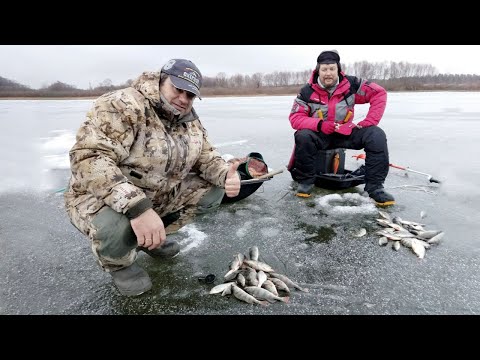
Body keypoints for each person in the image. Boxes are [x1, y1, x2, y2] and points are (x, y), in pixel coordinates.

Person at [64, 59, 241, 297]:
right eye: (178, 89)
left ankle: (150, 239)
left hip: (156, 194)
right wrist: (138, 207)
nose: (183, 99)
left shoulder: (189, 120)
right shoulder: (122, 104)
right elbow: (89, 158)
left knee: (212, 190)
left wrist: (224, 174)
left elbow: (206, 156)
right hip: (99, 196)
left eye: (190, 95)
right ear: (160, 80)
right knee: (116, 225)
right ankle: (120, 263)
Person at [287, 50, 395, 206]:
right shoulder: (306, 91)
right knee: (303, 135)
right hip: (321, 134)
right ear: (318, 70)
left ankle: (375, 188)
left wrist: (369, 122)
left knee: (376, 135)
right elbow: (295, 119)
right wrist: (321, 125)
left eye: (332, 69)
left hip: (346, 133)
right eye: (324, 69)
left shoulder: (352, 84)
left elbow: (379, 93)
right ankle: (306, 182)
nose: (328, 73)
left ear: (338, 69)